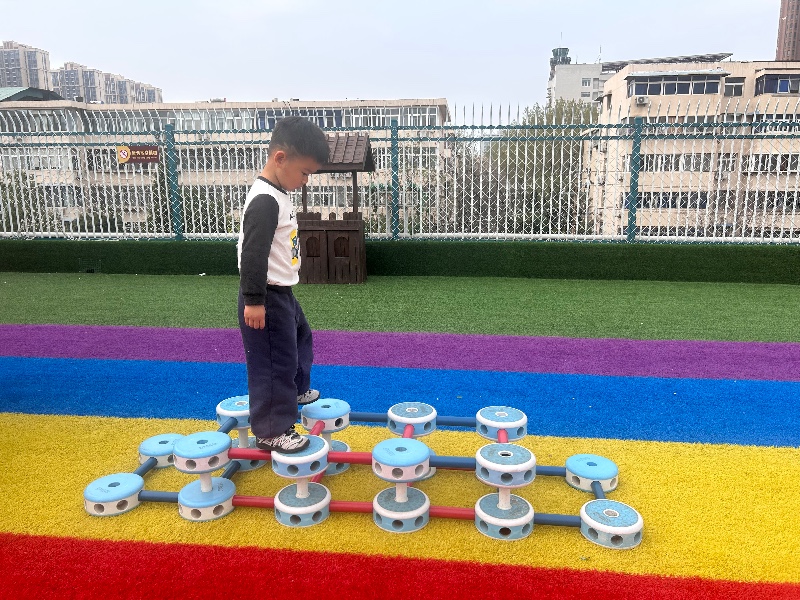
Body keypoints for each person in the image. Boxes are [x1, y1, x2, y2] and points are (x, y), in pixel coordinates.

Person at [237, 116, 329, 453]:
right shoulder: (265, 200)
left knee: (300, 339)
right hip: (265, 295)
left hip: (282, 292)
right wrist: (253, 300)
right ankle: (271, 430)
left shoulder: (278, 193)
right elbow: (253, 252)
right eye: (304, 172)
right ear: (280, 158)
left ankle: (297, 389)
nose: (306, 181)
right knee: (273, 363)